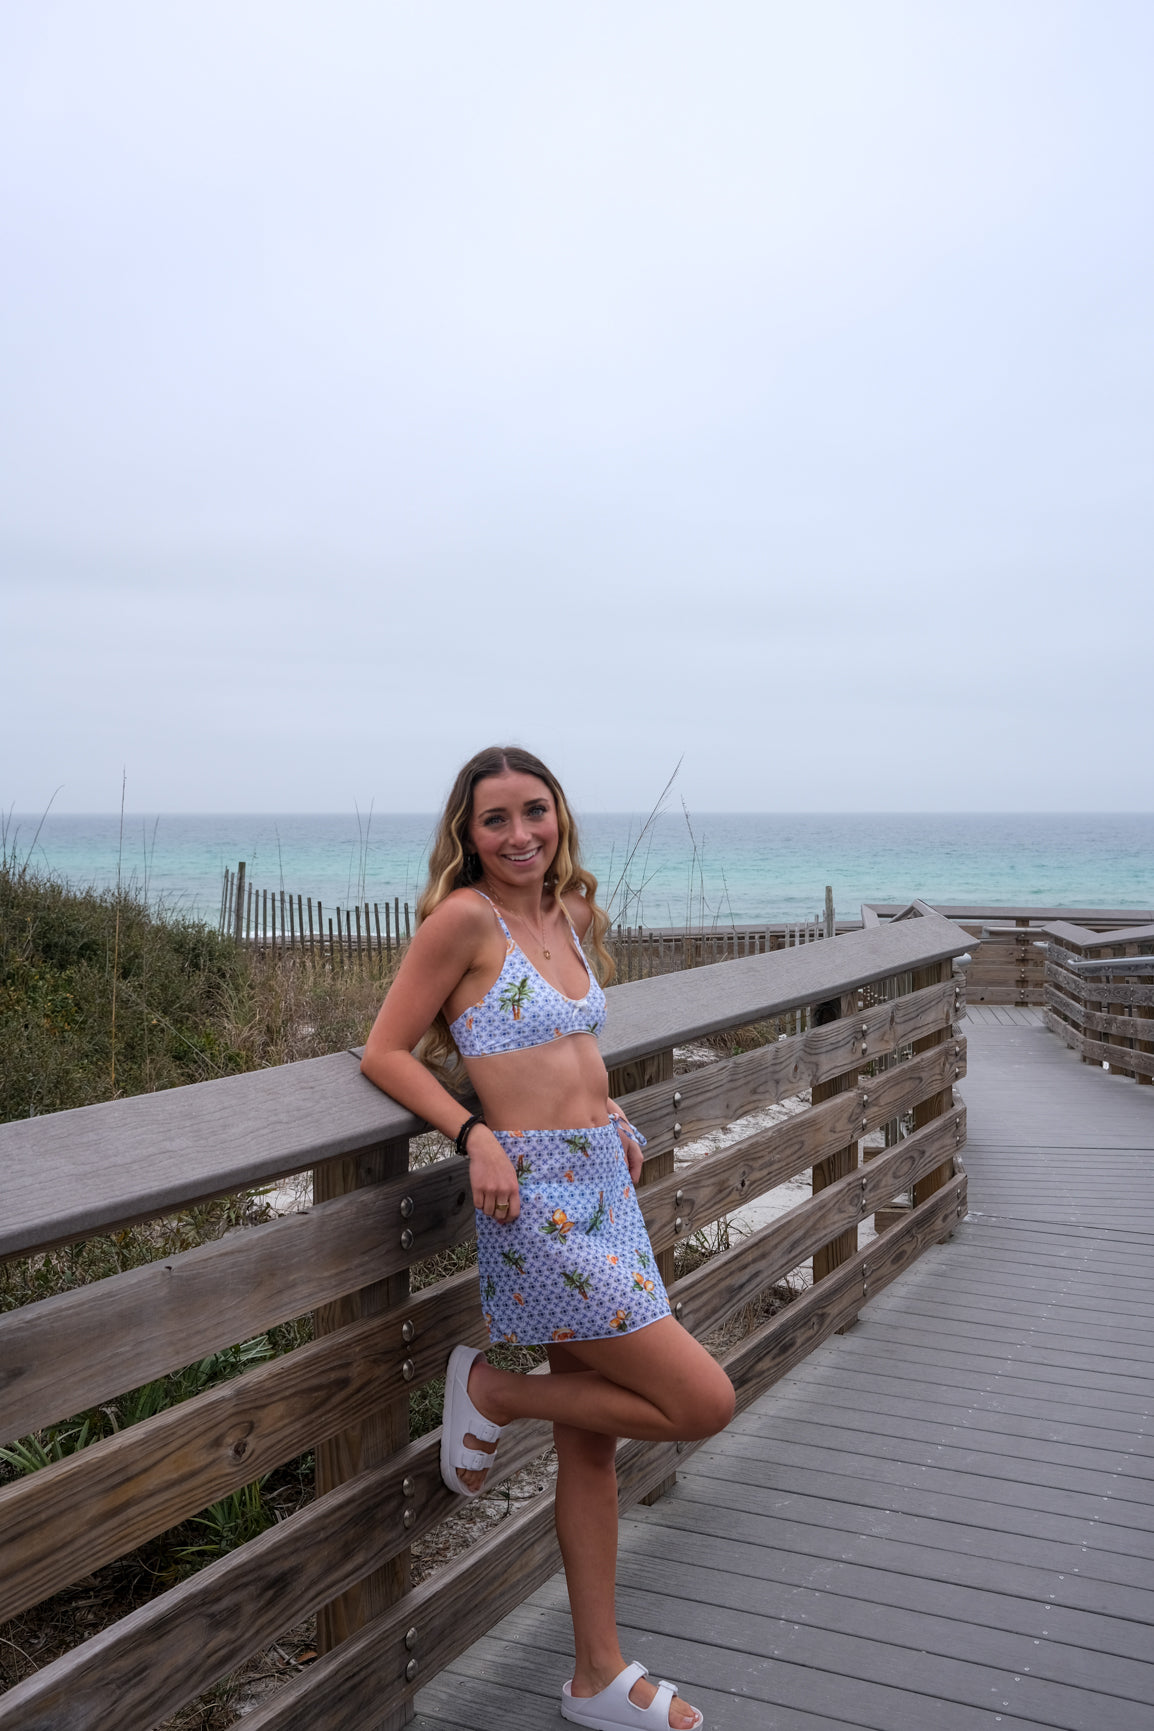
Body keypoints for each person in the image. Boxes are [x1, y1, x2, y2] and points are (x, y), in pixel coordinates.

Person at [361, 746, 734, 1731]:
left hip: (603, 1183)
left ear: (558, 816)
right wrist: (472, 1133)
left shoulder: (563, 913)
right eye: (496, 820)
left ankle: (593, 1676)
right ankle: (492, 1389)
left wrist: (606, 1112)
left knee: (593, 1446)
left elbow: (565, 1050)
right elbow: (384, 1050)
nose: (520, 834)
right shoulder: (464, 920)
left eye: (535, 812)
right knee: (700, 1400)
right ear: (466, 836)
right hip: (537, 1207)